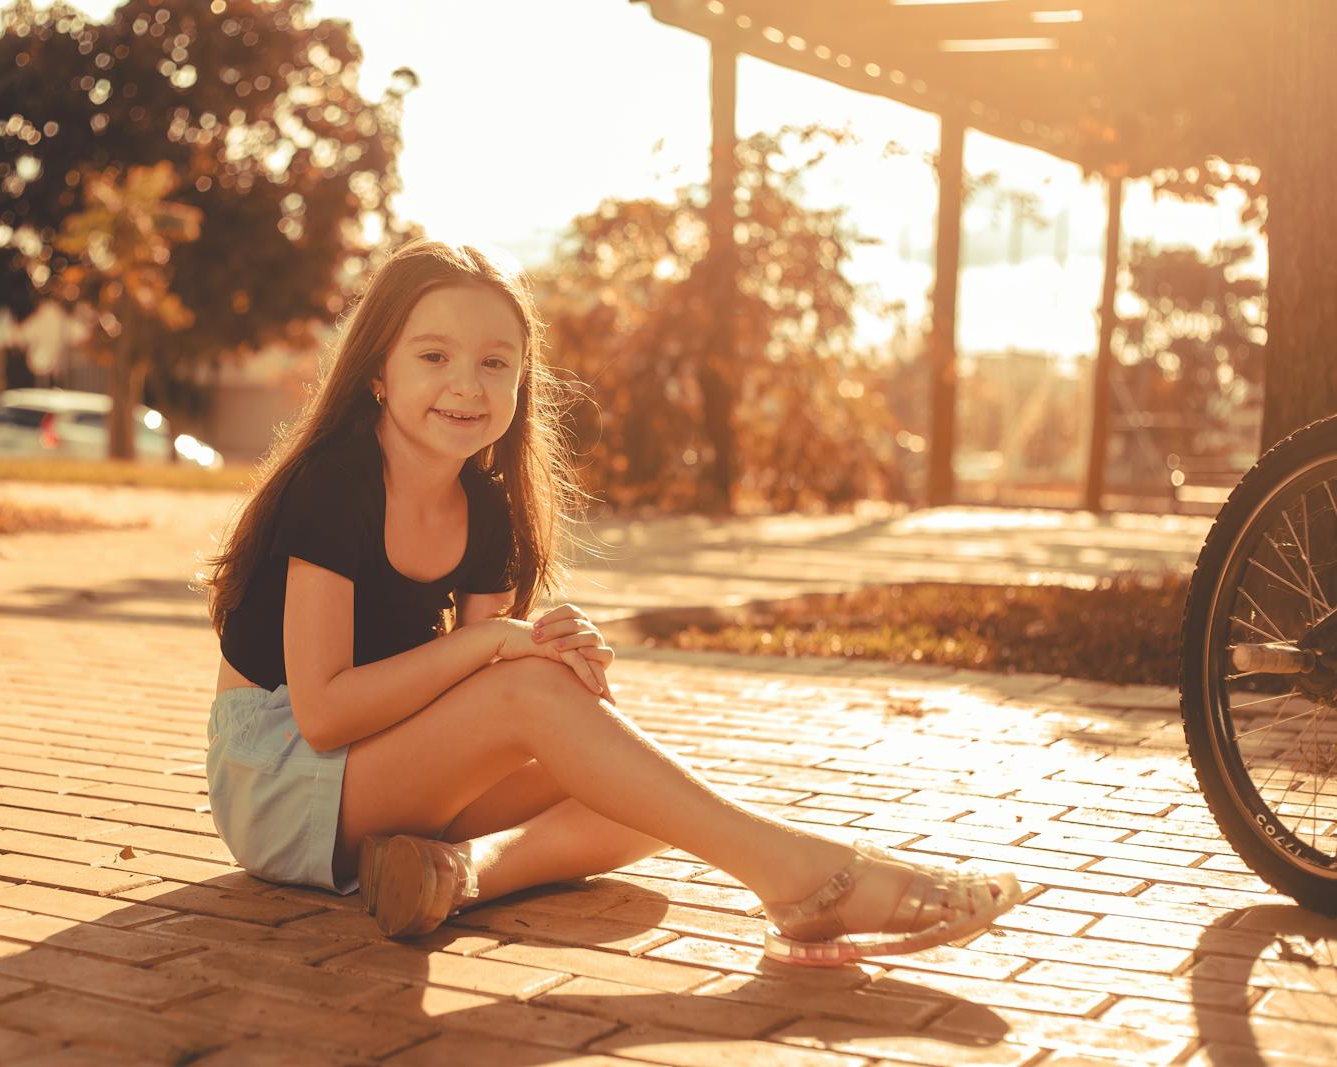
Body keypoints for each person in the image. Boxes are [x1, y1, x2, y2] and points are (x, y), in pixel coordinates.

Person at [201, 238, 1022, 966]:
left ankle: (455, 875)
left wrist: (553, 660)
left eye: (495, 362)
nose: (467, 385)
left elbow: (476, 704)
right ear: (378, 370)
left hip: (373, 776)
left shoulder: (486, 510)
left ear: (523, 378)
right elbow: (325, 714)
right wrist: (501, 654)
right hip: (276, 778)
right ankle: (803, 876)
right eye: (433, 357)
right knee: (562, 718)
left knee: (640, 792)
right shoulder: (334, 484)